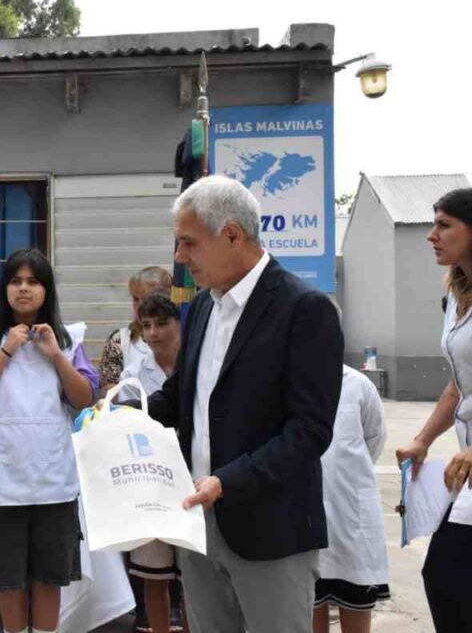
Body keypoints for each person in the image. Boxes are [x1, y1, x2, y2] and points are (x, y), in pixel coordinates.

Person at [142, 176, 343, 633]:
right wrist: (121, 417)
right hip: (197, 521)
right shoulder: (202, 308)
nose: (179, 257)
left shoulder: (304, 309)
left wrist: (226, 482)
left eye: (188, 242)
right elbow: (182, 395)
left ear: (232, 234)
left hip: (270, 530)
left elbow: (309, 431)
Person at [0, 248, 98, 633]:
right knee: (8, 578)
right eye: (15, 281)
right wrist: (7, 350)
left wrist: (55, 354)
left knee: (49, 576)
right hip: (3, 478)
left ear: (47, 289)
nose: (24, 289)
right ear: (4, 289)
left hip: (54, 476)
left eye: (33, 282)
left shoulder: (67, 340)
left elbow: (84, 398)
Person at [396, 186, 472, 632]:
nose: (432, 235)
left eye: (444, 225)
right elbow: (461, 383)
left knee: (457, 583)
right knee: (448, 583)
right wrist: (423, 439)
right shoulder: (458, 298)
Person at [118, 291, 187, 633]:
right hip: (151, 483)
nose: (153, 333)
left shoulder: (198, 366)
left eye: (162, 323)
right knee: (154, 574)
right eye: (146, 326)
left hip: (193, 480)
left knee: (193, 578)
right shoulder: (133, 374)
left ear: (179, 323)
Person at [313, 365, 390, 633]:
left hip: (350, 512)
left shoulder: (357, 384)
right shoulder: (285, 379)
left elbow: (375, 438)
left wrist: (346, 472)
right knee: (309, 599)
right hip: (304, 512)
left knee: (356, 595)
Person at [98, 266, 174, 399]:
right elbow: (108, 392)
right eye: (135, 299)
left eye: (146, 299)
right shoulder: (120, 340)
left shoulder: (187, 336)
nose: (139, 306)